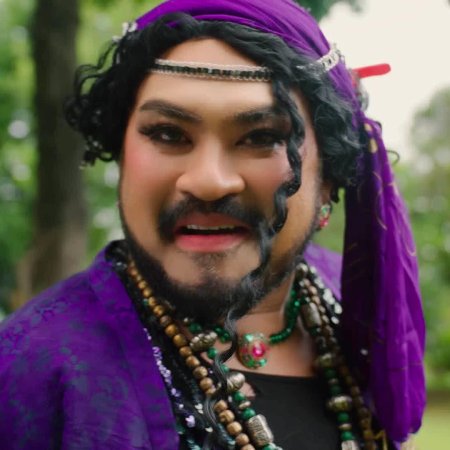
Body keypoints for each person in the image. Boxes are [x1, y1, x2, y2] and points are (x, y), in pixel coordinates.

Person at [0, 1, 425, 449]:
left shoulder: (356, 302)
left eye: (261, 137)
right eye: (168, 133)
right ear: (121, 154)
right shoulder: (28, 368)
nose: (207, 182)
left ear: (329, 179)